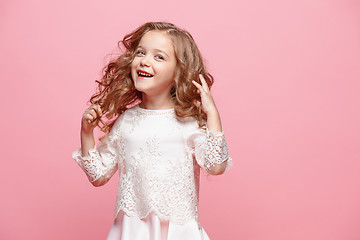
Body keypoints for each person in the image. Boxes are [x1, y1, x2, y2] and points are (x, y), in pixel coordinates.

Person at [72, 22, 232, 240]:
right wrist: (86, 133)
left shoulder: (188, 124)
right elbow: (98, 175)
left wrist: (212, 114)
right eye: (141, 52)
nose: (145, 61)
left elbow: (216, 165)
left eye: (159, 57)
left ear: (178, 73)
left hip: (177, 232)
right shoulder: (127, 122)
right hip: (131, 233)